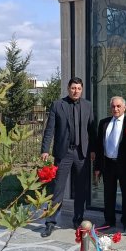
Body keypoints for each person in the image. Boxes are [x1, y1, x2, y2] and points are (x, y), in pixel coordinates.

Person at [40, 77, 96, 237]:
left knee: (81, 189)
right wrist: (45, 150)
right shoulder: (58, 105)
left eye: (79, 88)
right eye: (73, 88)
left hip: (81, 154)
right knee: (58, 189)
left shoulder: (88, 105)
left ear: (82, 90)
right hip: (63, 153)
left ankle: (78, 219)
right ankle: (50, 222)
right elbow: (49, 129)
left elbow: (91, 130)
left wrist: (93, 150)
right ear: (68, 88)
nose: (76, 91)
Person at [94, 96, 126, 230]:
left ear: (124, 108)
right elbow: (99, 146)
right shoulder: (104, 123)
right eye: (113, 106)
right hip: (108, 164)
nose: (115, 109)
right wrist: (97, 167)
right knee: (108, 194)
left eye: (118, 106)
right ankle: (109, 220)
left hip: (125, 164)